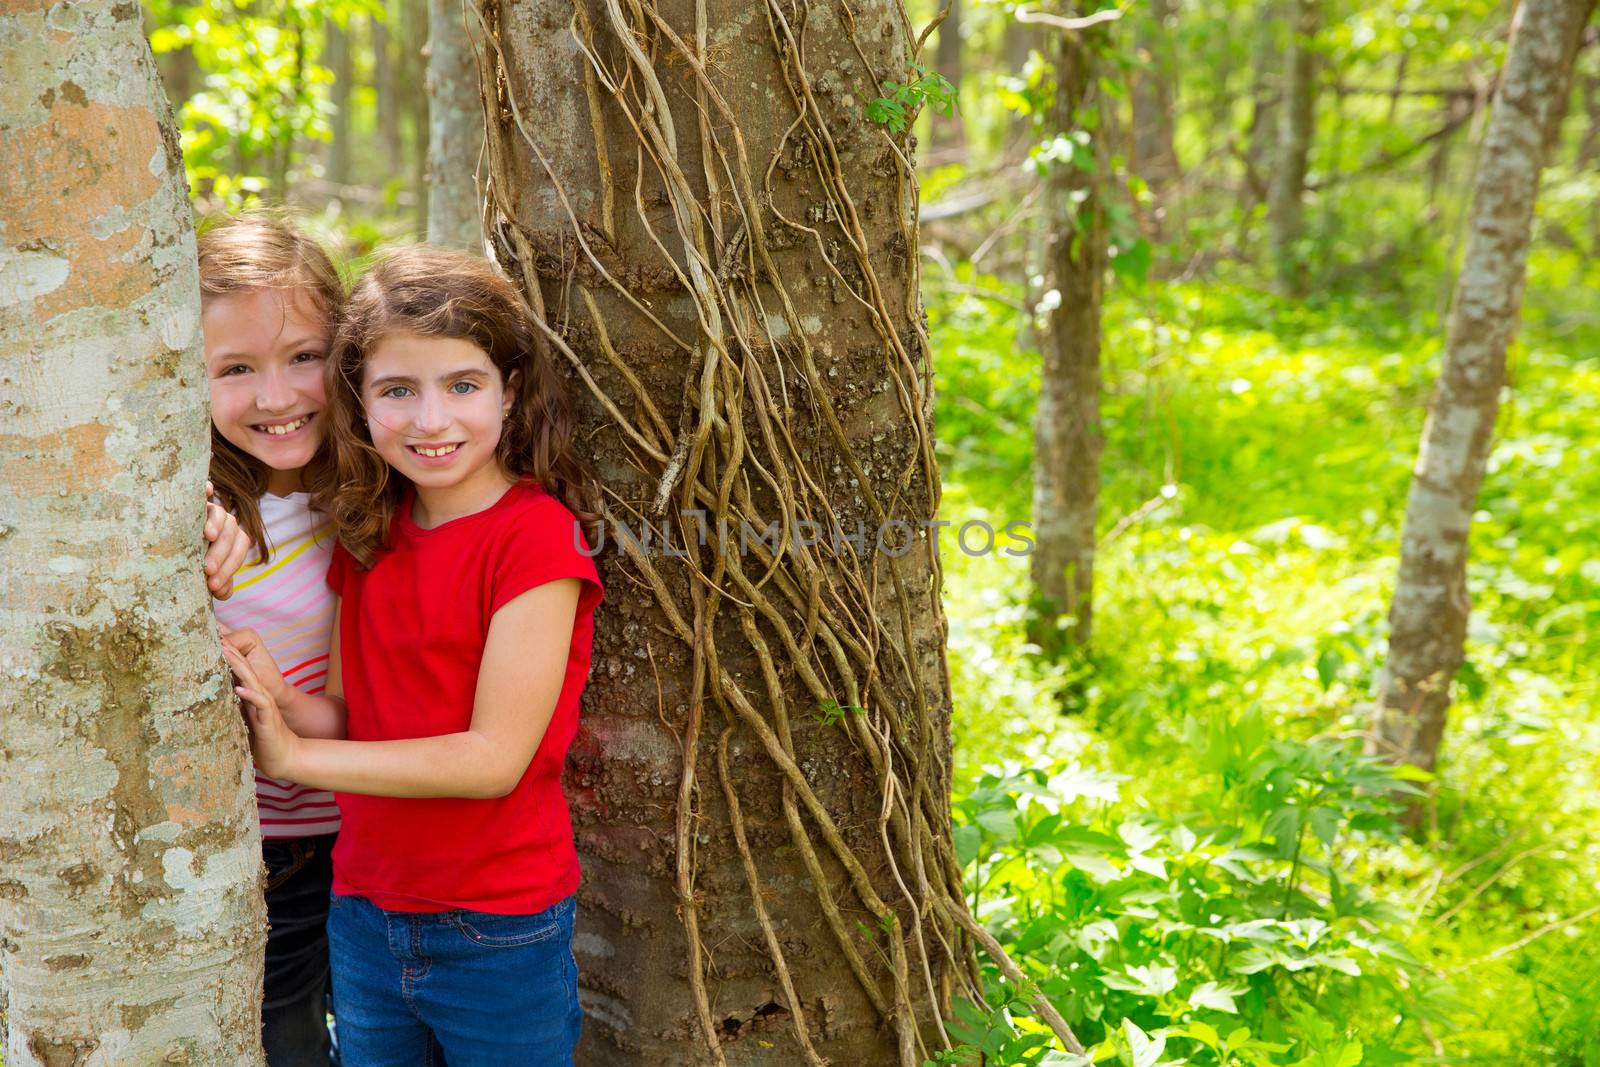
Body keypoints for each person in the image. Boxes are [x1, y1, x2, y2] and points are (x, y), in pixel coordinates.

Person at [221, 245, 603, 1067]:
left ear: (510, 389)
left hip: (499, 923)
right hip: (361, 913)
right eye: (398, 391)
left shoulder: (534, 540)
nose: (431, 420)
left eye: (462, 385)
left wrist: (299, 756)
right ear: (359, 403)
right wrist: (279, 699)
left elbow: (493, 758)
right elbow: (352, 716)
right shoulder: (371, 534)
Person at [198, 213, 346, 1066]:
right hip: (272, 857)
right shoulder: (206, 513)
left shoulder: (389, 478)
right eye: (237, 369)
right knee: (289, 1043)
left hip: (390, 837)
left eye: (303, 357)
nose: (277, 395)